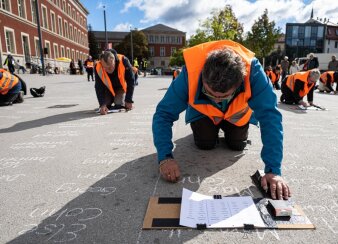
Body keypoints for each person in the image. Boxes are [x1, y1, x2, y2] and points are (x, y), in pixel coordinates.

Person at [152, 40, 291, 200]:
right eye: (210, 93)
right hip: (204, 114)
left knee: (236, 145)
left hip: (237, 115)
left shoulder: (254, 73)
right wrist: (165, 157)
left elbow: (270, 118)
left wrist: (273, 170)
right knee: (205, 144)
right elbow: (163, 114)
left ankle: (234, 130)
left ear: (240, 81)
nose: (217, 101)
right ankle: (206, 131)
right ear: (203, 76)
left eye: (224, 96)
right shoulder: (190, 73)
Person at [94, 49, 135, 115]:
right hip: (107, 89)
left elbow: (131, 81)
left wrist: (128, 100)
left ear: (114, 61)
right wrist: (102, 104)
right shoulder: (98, 66)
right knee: (106, 105)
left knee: (119, 105)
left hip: (120, 88)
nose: (108, 70)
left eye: (110, 67)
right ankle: (108, 101)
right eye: (105, 68)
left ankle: (119, 100)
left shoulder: (124, 60)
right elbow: (98, 86)